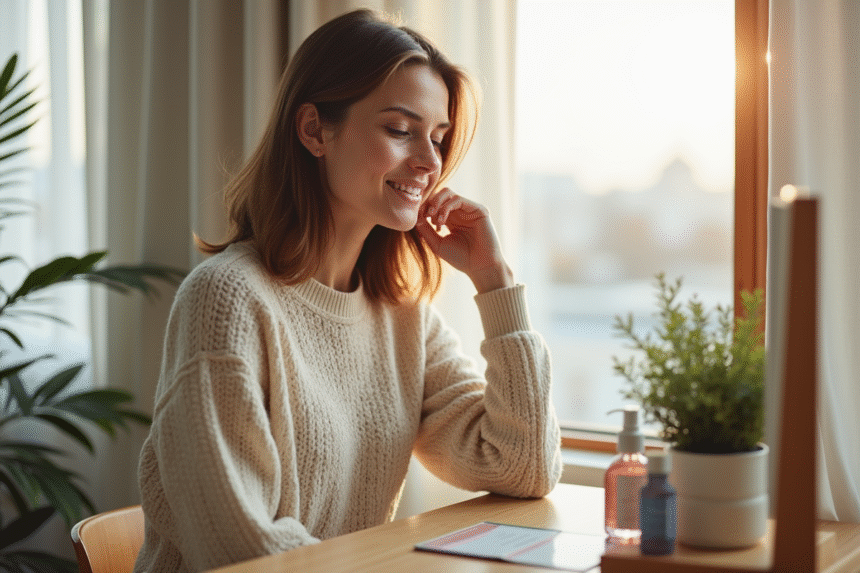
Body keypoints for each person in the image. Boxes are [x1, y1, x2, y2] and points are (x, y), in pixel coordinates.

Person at [132, 9, 561, 573]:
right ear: (314, 130)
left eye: (438, 138)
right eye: (400, 130)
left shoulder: (403, 315)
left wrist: (494, 280)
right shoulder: (226, 300)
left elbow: (523, 467)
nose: (430, 162)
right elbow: (240, 550)